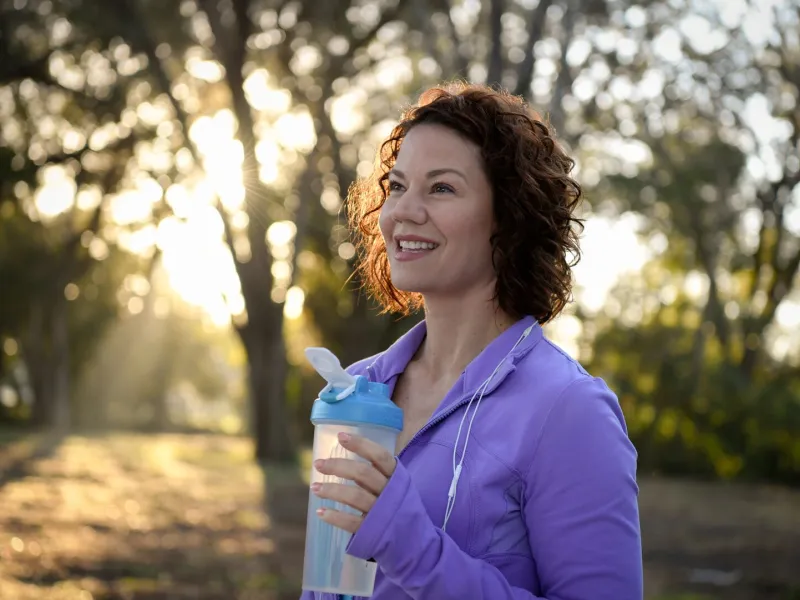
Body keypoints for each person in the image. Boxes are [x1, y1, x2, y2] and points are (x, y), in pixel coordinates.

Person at [300, 82, 643, 600]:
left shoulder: (570, 412)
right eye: (396, 186)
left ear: (508, 217)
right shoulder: (360, 387)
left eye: (441, 188)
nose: (403, 212)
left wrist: (408, 543)